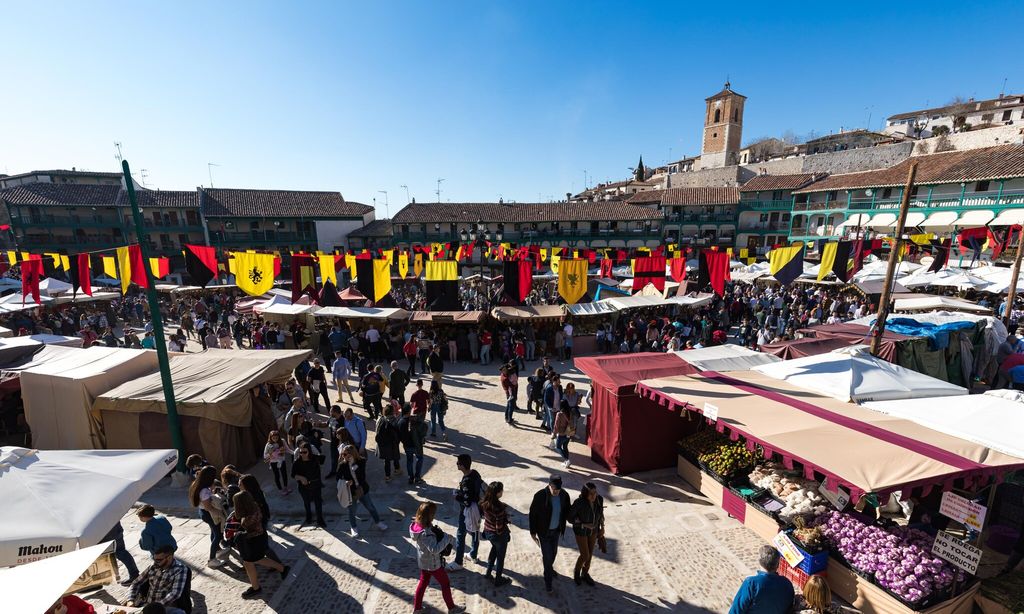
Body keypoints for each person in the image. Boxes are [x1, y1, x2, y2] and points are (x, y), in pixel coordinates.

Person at [409, 501, 465, 614]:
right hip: (433, 564)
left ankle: (417, 609)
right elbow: (434, 550)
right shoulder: (426, 534)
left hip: (423, 561)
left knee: (423, 583)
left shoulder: (416, 525)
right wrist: (447, 539)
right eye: (433, 514)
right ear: (429, 516)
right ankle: (452, 608)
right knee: (445, 584)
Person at [232, 491, 289, 599]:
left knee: (250, 561)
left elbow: (248, 529)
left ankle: (256, 588)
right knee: (255, 560)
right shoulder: (254, 506)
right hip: (259, 538)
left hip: (253, 540)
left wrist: (239, 534)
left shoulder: (248, 518)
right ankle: (281, 569)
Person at [529, 475, 572, 593]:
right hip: (543, 533)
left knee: (553, 553)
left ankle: (548, 569)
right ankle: (548, 582)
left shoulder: (564, 495)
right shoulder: (539, 496)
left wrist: (575, 519)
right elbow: (532, 515)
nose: (557, 492)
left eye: (558, 489)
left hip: (556, 531)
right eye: (554, 489)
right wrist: (532, 532)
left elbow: (568, 511)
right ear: (549, 486)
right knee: (547, 557)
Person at [337, 445, 389, 537]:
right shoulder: (342, 465)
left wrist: (353, 465)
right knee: (352, 510)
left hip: (362, 489)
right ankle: (353, 527)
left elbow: (362, 477)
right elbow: (338, 478)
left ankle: (378, 522)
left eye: (346, 454)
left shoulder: (361, 461)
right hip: (351, 491)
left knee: (370, 507)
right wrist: (346, 482)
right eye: (343, 454)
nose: (343, 456)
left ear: (352, 454)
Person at [124, 545, 191, 614]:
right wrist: (130, 600)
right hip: (146, 606)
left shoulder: (180, 569)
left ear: (169, 557)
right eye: (154, 559)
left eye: (159, 560)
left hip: (165, 607)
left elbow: (175, 594)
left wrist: (156, 607)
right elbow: (136, 583)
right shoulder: (153, 566)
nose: (155, 562)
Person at [728, 545, 795, 614]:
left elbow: (736, 611)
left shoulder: (751, 584)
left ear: (759, 561)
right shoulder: (787, 584)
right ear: (778, 565)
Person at [448, 453, 482, 571]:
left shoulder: (466, 480)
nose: (457, 465)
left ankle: (458, 561)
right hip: (478, 508)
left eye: (458, 463)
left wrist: (456, 497)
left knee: (460, 534)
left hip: (467, 511)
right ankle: (473, 555)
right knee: (475, 532)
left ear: (462, 465)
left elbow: (466, 502)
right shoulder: (475, 473)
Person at [188, 466, 226, 568]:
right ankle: (212, 559)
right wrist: (220, 513)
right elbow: (209, 507)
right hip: (209, 513)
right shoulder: (204, 490)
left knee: (214, 532)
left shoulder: (197, 484)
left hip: (203, 512)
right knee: (218, 535)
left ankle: (217, 550)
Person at [567, 482, 604, 586]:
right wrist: (584, 524)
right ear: (585, 493)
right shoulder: (579, 503)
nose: (593, 496)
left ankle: (585, 573)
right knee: (585, 554)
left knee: (590, 554)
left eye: (595, 493)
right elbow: (570, 518)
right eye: (591, 493)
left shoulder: (599, 500)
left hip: (594, 531)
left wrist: (602, 528)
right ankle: (576, 573)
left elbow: (601, 515)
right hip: (581, 532)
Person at [481, 481, 512, 587]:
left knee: (493, 552)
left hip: (488, 533)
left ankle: (488, 573)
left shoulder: (485, 503)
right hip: (498, 536)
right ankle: (498, 579)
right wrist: (506, 524)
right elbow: (499, 528)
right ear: (498, 493)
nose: (502, 492)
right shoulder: (499, 508)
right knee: (500, 558)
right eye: (501, 490)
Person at [291, 442, 327, 528]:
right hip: (303, 487)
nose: (302, 454)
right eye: (301, 452)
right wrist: (301, 478)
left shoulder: (315, 459)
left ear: (309, 452)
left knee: (318, 503)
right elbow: (293, 475)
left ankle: (320, 519)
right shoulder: (297, 462)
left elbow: (323, 458)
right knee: (306, 503)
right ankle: (308, 517)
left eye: (305, 452)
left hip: (315, 484)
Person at [103, 521, 140, 585]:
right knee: (121, 552)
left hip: (106, 532)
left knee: (117, 553)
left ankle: (107, 578)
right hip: (115, 529)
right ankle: (134, 574)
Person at [375, 404, 403, 481]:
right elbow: (397, 432)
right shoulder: (394, 420)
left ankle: (388, 477)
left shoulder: (379, 419)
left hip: (382, 443)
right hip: (391, 443)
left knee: (386, 460)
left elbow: (376, 431)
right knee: (395, 456)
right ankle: (397, 469)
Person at [402, 409, 428, 485]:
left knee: (409, 461)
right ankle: (417, 477)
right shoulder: (422, 425)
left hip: (407, 446)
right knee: (419, 459)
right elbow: (424, 434)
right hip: (417, 446)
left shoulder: (405, 422)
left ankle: (410, 477)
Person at [263, 431, 292, 495]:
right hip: (273, 462)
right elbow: (265, 455)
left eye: (276, 437)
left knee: (284, 474)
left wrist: (294, 453)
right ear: (270, 438)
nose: (275, 439)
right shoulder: (268, 444)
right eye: (273, 438)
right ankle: (280, 489)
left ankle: (285, 487)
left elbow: (287, 449)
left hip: (282, 460)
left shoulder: (282, 441)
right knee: (277, 475)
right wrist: (272, 453)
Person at [553, 401, 574, 468]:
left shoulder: (559, 414)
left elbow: (556, 425)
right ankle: (566, 463)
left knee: (558, 447)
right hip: (568, 433)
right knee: (565, 447)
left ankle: (567, 460)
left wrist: (554, 433)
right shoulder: (570, 413)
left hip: (561, 433)